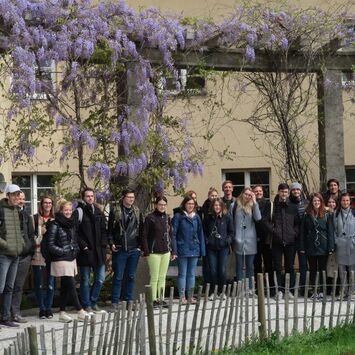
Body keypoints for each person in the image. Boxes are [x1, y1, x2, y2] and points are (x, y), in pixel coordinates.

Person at [46, 200, 89, 323]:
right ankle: (80, 310)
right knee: (71, 282)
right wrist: (63, 251)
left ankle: (62, 312)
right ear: (60, 211)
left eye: (70, 210)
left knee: (65, 286)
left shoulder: (72, 224)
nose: (68, 212)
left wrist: (74, 250)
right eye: (66, 210)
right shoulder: (54, 224)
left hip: (71, 257)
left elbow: (75, 239)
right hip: (60, 258)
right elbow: (50, 244)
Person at [108, 189, 143, 308]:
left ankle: (129, 300)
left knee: (131, 276)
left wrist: (140, 247)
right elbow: (110, 230)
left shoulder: (137, 211)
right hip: (120, 248)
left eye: (132, 197)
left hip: (134, 248)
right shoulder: (116, 211)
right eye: (129, 197)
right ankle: (115, 301)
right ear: (123, 197)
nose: (131, 199)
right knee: (118, 276)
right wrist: (111, 243)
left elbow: (141, 230)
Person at [75, 188, 108, 314]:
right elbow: (75, 231)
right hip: (86, 252)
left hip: (99, 251)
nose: (90, 198)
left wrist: (104, 244)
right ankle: (86, 304)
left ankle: (93, 302)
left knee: (100, 279)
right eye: (87, 196)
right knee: (85, 280)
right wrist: (83, 245)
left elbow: (104, 230)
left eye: (91, 196)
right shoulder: (79, 211)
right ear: (83, 197)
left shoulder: (98, 211)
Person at [0, 184, 26, 327]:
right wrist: (7, 245)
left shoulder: (17, 211)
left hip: (15, 255)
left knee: (9, 288)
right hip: (3, 255)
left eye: (18, 195)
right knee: (0, 287)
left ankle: (5, 318)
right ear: (8, 196)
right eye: (14, 195)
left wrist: (20, 244)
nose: (17, 197)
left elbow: (20, 232)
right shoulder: (0, 210)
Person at [142, 196, 176, 308]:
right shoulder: (150, 218)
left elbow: (171, 235)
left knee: (162, 277)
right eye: (160, 204)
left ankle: (161, 298)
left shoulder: (167, 218)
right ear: (156, 205)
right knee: (154, 277)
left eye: (164, 205)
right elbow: (144, 236)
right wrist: (146, 251)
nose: (162, 207)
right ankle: (152, 300)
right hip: (153, 252)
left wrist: (173, 251)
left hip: (165, 251)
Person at [299, 193, 334, 299]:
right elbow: (302, 232)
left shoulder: (327, 214)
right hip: (310, 246)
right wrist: (302, 247)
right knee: (313, 270)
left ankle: (322, 291)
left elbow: (330, 231)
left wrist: (331, 246)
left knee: (323, 269)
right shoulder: (306, 214)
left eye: (318, 200)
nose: (316, 202)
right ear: (311, 202)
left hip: (323, 245)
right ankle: (314, 290)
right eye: (314, 201)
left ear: (321, 201)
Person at [172, 195, 205, 304]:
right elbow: (174, 234)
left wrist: (202, 250)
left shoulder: (197, 217)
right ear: (184, 204)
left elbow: (200, 233)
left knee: (191, 273)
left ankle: (190, 296)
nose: (190, 206)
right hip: (182, 248)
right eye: (188, 203)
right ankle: (182, 297)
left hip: (194, 248)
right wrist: (175, 250)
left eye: (192, 204)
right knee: (182, 274)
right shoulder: (178, 216)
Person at [271, 183, 300, 299]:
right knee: (277, 266)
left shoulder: (293, 206)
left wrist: (294, 233)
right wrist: (274, 231)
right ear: (278, 192)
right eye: (282, 191)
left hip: (290, 241)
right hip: (277, 241)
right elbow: (265, 221)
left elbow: (297, 223)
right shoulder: (273, 206)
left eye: (286, 192)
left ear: (288, 193)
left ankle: (289, 290)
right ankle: (278, 290)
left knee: (290, 267)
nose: (284, 194)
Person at [10, 191, 35, 323]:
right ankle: (5, 313)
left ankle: (15, 313)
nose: (21, 201)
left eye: (23, 199)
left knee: (18, 286)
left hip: (24, 256)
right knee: (7, 286)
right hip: (10, 255)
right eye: (19, 198)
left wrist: (30, 251)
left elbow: (31, 234)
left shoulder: (26, 215)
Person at [203, 198, 233, 296]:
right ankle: (213, 292)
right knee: (213, 270)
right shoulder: (208, 218)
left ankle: (222, 292)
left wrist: (227, 240)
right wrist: (207, 240)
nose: (217, 207)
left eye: (219, 205)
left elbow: (231, 232)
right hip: (211, 248)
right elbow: (204, 232)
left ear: (222, 206)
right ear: (213, 206)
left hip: (223, 248)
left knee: (222, 270)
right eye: (215, 205)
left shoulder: (227, 217)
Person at [32, 196, 56, 319]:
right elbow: (31, 235)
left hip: (52, 254)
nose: (47, 205)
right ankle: (41, 309)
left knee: (51, 283)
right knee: (39, 283)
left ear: (52, 205)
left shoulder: (55, 219)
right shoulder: (35, 218)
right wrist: (41, 231)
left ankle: (49, 308)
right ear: (41, 204)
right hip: (38, 253)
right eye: (45, 203)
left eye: (50, 203)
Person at [233, 187, 261, 291]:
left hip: (251, 240)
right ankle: (240, 289)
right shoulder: (234, 205)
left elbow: (258, 218)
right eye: (246, 194)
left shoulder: (253, 206)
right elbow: (231, 222)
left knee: (250, 266)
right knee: (239, 266)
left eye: (250, 195)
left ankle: (250, 289)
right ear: (242, 194)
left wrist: (255, 202)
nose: (247, 196)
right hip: (238, 240)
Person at [334, 193, 355, 297]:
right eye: (343, 200)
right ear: (340, 201)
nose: (345, 202)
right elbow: (332, 229)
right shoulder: (336, 213)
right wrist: (336, 240)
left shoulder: (354, 213)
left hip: (352, 244)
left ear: (350, 201)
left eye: (347, 200)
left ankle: (352, 291)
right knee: (341, 270)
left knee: (352, 269)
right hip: (340, 245)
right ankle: (343, 291)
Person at [289, 182, 308, 294]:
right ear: (291, 191)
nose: (296, 191)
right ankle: (290, 288)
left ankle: (304, 288)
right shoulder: (288, 203)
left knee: (303, 265)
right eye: (294, 190)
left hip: (303, 238)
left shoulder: (306, 203)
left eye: (298, 190)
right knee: (290, 264)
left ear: (301, 191)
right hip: (291, 237)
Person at [252, 185, 273, 285]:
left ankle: (271, 287)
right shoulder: (250, 204)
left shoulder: (268, 203)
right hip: (254, 237)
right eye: (256, 191)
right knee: (257, 264)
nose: (258, 193)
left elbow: (264, 219)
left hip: (266, 237)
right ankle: (258, 286)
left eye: (260, 191)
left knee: (268, 263)